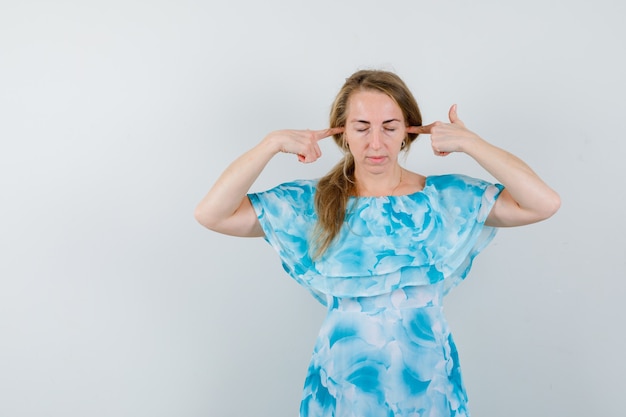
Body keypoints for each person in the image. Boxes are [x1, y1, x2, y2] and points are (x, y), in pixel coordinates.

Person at [194, 69, 560, 417]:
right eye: (362, 127)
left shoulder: (446, 199)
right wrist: (270, 144)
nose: (375, 143)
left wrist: (472, 143)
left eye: (389, 127)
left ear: (408, 131)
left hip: (428, 388)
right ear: (343, 133)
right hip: (343, 388)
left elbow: (543, 203)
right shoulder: (311, 204)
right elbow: (213, 214)